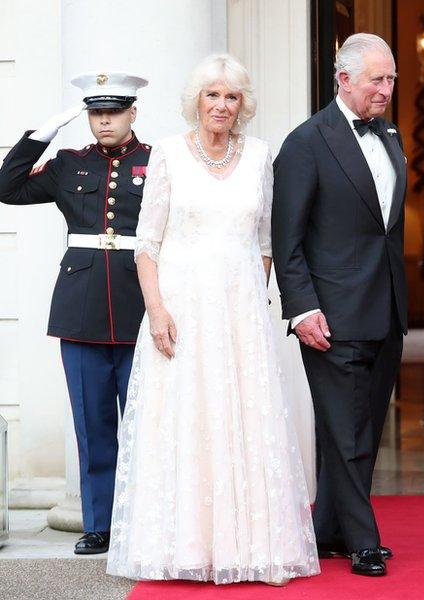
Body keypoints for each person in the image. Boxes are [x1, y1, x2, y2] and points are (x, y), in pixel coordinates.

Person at [105, 54, 319, 585]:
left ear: (242, 103)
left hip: (240, 313)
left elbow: (266, 243)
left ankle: (248, 546)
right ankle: (185, 546)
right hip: (179, 311)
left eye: (231, 96)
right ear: (196, 100)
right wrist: (157, 311)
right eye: (212, 95)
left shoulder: (260, 156)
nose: (222, 105)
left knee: (241, 420)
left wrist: (249, 296)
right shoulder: (170, 156)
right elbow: (146, 245)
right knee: (186, 420)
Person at [272, 33, 406, 577]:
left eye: (391, 78)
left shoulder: (391, 133)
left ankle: (328, 526)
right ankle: (363, 539)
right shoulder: (306, 141)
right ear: (343, 79)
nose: (387, 89)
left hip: (386, 309)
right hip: (331, 313)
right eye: (377, 79)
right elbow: (288, 237)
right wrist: (301, 308)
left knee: (362, 429)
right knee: (347, 431)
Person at [0, 73, 150, 555]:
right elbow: (8, 187)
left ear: (132, 113)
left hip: (143, 306)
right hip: (81, 307)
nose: (103, 120)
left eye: (113, 111)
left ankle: (145, 523)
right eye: (95, 113)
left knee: (147, 425)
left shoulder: (159, 162)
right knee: (93, 423)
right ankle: (99, 524)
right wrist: (42, 133)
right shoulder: (69, 164)